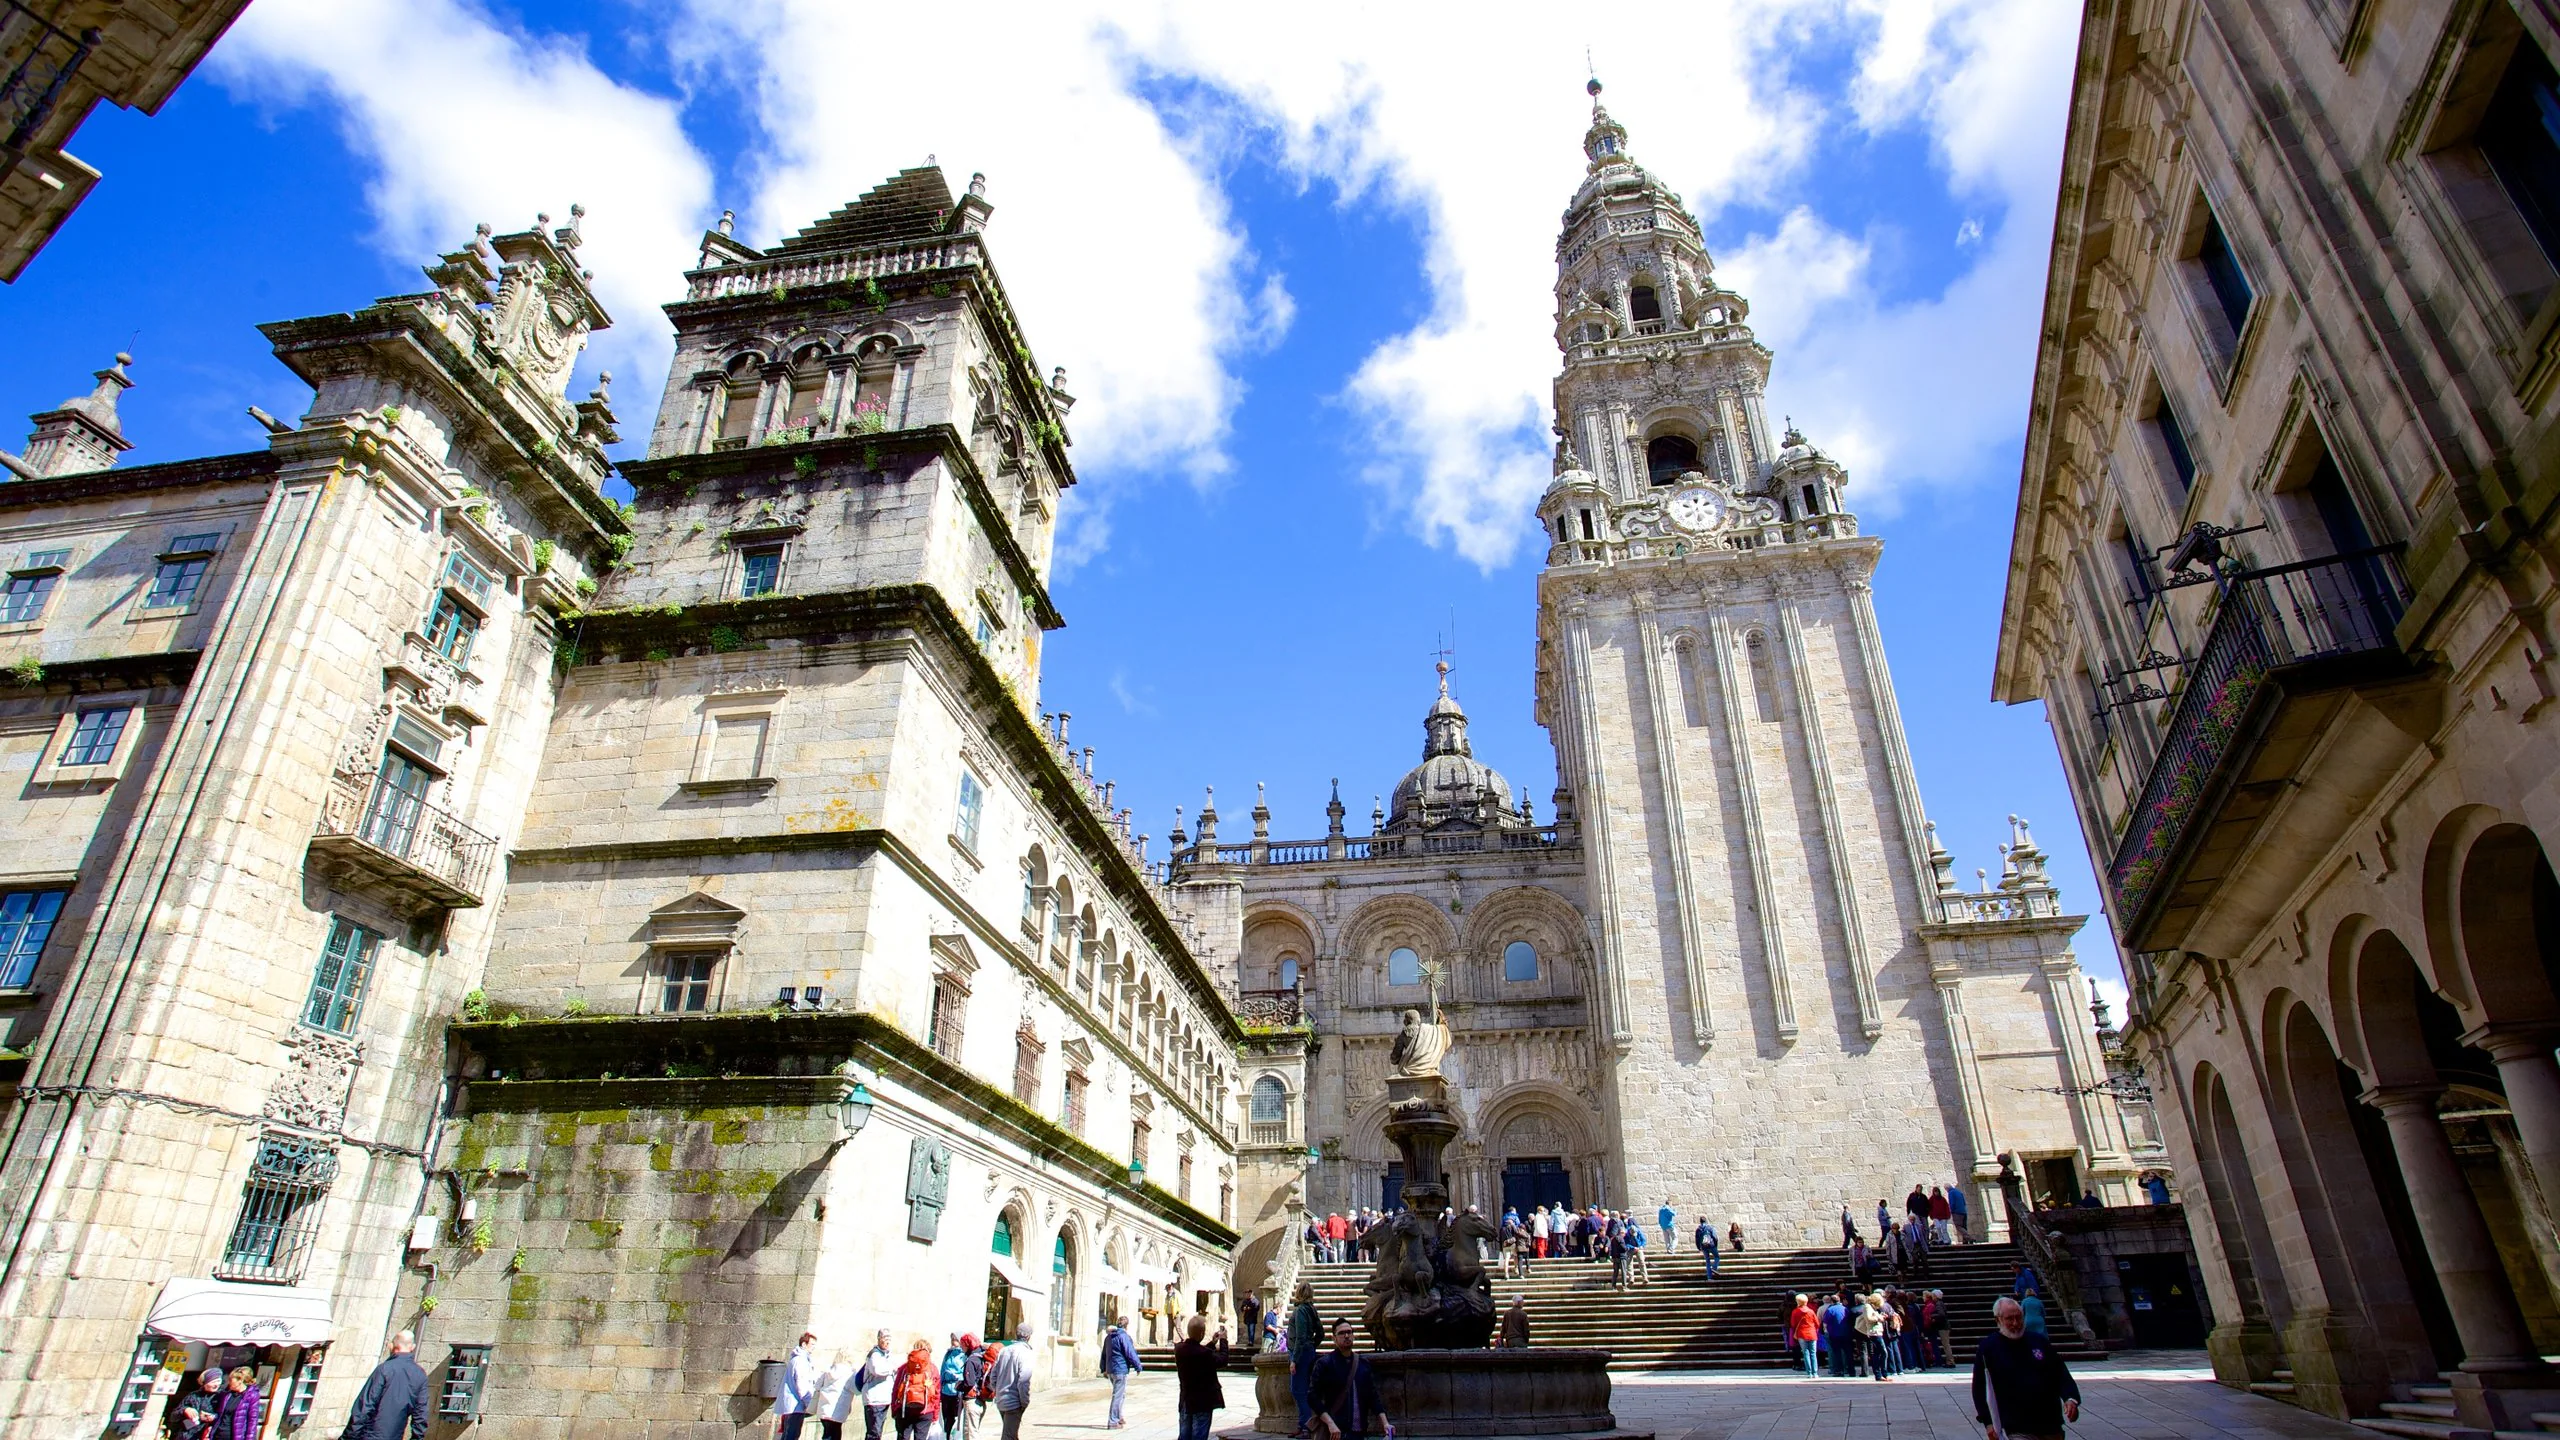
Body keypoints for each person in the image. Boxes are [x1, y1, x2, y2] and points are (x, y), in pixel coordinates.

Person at [1974, 1297, 2081, 1440]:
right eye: (2009, 1319)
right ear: (1998, 1320)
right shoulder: (1988, 1348)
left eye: (2019, 1317)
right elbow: (1980, 1387)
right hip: (2015, 1425)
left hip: (2050, 1422)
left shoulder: (2038, 1341)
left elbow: (2060, 1372)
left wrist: (2070, 1398)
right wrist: (1988, 1422)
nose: (2015, 1323)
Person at [341, 1332, 431, 1440]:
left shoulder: (384, 1369)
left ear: (392, 1346)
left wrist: (348, 1437)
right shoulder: (420, 1374)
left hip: (370, 1435)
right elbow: (421, 1414)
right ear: (412, 1347)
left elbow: (364, 1407)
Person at [1308, 1320, 1384, 1439]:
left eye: (1349, 1332)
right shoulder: (1325, 1364)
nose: (1347, 1336)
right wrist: (1330, 1423)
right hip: (1335, 1432)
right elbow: (1312, 1397)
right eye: (1342, 1333)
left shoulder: (1363, 1364)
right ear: (1334, 1338)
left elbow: (1373, 1397)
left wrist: (1385, 1423)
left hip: (1359, 1432)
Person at [1174, 1313, 1227, 1440]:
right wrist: (1224, 1340)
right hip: (1202, 1401)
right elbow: (1222, 1360)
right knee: (1199, 1435)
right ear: (1202, 1333)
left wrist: (1212, 1343)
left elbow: (1197, 1352)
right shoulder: (1204, 1354)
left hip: (1186, 1399)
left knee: (1184, 1435)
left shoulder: (1180, 1349)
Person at [1288, 1280, 1322, 1437]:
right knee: (1304, 1390)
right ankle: (1304, 1425)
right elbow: (1320, 1333)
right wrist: (1312, 1346)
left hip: (1300, 1353)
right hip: (1308, 1352)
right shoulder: (1312, 1309)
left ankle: (1306, 1426)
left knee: (1298, 1390)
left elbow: (1300, 1337)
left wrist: (1294, 1359)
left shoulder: (1301, 1310)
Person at [776, 1331, 824, 1440]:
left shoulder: (798, 1359)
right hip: (796, 1405)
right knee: (792, 1435)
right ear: (804, 1344)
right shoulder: (800, 1360)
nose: (813, 1348)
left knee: (788, 1435)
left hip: (793, 1404)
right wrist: (808, 1402)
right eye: (812, 1345)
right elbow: (801, 1384)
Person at [1101, 1314, 1143, 1429]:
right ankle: (1113, 1421)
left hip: (1110, 1369)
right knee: (1118, 1395)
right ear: (1126, 1326)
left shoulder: (1109, 1337)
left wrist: (1103, 1368)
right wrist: (1138, 1366)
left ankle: (1119, 1416)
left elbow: (1104, 1353)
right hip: (1120, 1369)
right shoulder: (1124, 1337)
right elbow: (1130, 1352)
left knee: (1120, 1394)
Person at [892, 1339, 936, 1440]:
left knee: (903, 1437)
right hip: (925, 1410)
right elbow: (936, 1393)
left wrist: (894, 1409)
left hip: (905, 1409)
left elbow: (896, 1389)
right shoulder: (933, 1369)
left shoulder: (904, 1368)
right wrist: (935, 1414)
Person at [859, 1331, 898, 1440]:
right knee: (873, 1432)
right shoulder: (874, 1354)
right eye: (885, 1338)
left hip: (884, 1398)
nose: (887, 1341)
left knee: (878, 1432)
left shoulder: (888, 1355)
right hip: (874, 1399)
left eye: (889, 1338)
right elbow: (877, 1370)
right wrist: (891, 1369)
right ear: (879, 1339)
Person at [167, 1369, 224, 1440]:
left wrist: (214, 1417)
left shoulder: (222, 1396)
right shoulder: (193, 1396)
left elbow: (226, 1417)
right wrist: (185, 1410)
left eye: (218, 1381)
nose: (216, 1385)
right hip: (187, 1435)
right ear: (205, 1383)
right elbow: (173, 1416)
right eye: (213, 1382)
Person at [937, 1337, 974, 1440]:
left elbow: (966, 1372)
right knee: (946, 1419)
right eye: (951, 1339)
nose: (953, 1341)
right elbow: (942, 1370)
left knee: (956, 1419)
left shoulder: (965, 1355)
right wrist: (940, 1388)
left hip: (958, 1392)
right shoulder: (948, 1354)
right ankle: (947, 1436)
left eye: (955, 1339)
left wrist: (957, 1377)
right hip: (946, 1391)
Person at [219, 1367, 263, 1440]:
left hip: (234, 1436)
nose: (229, 1382)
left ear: (240, 1381)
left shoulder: (251, 1396)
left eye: (231, 1380)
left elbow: (252, 1421)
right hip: (219, 1434)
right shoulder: (227, 1395)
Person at [1787, 1294, 1820, 1378]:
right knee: (1813, 1353)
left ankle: (1809, 1372)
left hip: (1801, 1334)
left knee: (1805, 1353)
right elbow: (1817, 1323)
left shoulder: (1795, 1311)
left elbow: (1793, 1324)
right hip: (1812, 1333)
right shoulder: (1811, 1311)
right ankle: (1815, 1373)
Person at [1625, 1216, 1649, 1286]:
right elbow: (1626, 1243)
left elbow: (1643, 1240)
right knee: (1629, 1263)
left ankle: (1645, 1277)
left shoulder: (1638, 1231)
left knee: (1642, 1262)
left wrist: (1641, 1246)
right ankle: (1631, 1278)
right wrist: (1632, 1247)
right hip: (1630, 1249)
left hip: (1638, 1248)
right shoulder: (1627, 1234)